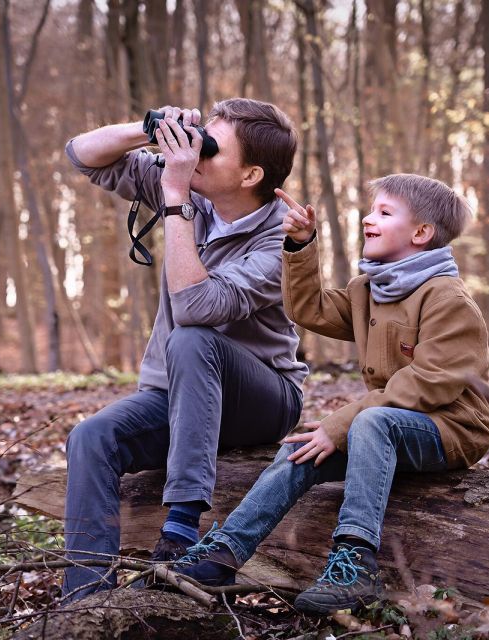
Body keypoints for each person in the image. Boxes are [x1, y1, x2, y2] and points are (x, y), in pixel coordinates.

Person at [170, 173, 489, 614]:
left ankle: (355, 564)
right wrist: (302, 244)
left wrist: (338, 425)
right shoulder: (370, 290)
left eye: (384, 212)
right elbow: (309, 309)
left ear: (421, 233)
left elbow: (430, 382)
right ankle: (221, 555)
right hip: (382, 427)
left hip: (450, 427)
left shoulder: (447, 298)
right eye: (371, 209)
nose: (367, 219)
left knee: (368, 422)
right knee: (300, 451)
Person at [62, 98, 308, 601]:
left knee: (194, 338)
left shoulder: (279, 239)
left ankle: (179, 533)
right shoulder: (190, 182)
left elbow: (197, 308)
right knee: (91, 437)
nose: (194, 152)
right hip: (178, 392)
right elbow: (82, 155)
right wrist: (148, 128)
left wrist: (174, 197)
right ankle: (86, 602)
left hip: (261, 397)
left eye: (211, 148)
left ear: (250, 175)